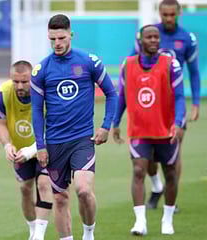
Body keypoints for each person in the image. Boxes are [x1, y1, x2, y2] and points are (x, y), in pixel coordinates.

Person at [31, 14, 118, 240]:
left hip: (82, 140)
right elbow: (37, 112)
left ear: (71, 34)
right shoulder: (41, 70)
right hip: (54, 142)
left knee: (83, 190)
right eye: (52, 39)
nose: (57, 43)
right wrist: (40, 145)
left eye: (61, 38)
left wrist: (105, 126)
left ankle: (88, 233)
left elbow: (111, 93)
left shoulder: (89, 61)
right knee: (60, 198)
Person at [113, 25, 185, 235]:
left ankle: (167, 219)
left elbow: (180, 97)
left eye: (156, 37)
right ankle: (140, 222)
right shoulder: (128, 65)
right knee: (138, 171)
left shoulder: (172, 64)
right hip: (139, 131)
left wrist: (178, 123)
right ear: (140, 40)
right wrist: (115, 123)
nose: (153, 40)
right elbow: (122, 96)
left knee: (170, 174)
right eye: (149, 37)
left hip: (165, 130)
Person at [130, 0, 200, 211]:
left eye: (172, 14)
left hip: (173, 109)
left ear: (178, 13)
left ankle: (172, 199)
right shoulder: (147, 35)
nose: (169, 18)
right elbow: (132, 67)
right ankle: (157, 186)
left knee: (173, 156)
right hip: (148, 106)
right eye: (165, 15)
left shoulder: (187, 38)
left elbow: (194, 73)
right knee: (147, 158)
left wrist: (195, 102)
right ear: (159, 14)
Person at [0, 60, 54, 240]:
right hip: (20, 152)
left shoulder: (45, 94)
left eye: (24, 81)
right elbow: (1, 124)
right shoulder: (3, 94)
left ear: (32, 79)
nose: (19, 86)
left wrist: (32, 150)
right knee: (25, 189)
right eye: (15, 81)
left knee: (44, 185)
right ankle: (32, 229)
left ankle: (39, 235)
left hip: (45, 147)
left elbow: (53, 129)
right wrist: (7, 145)